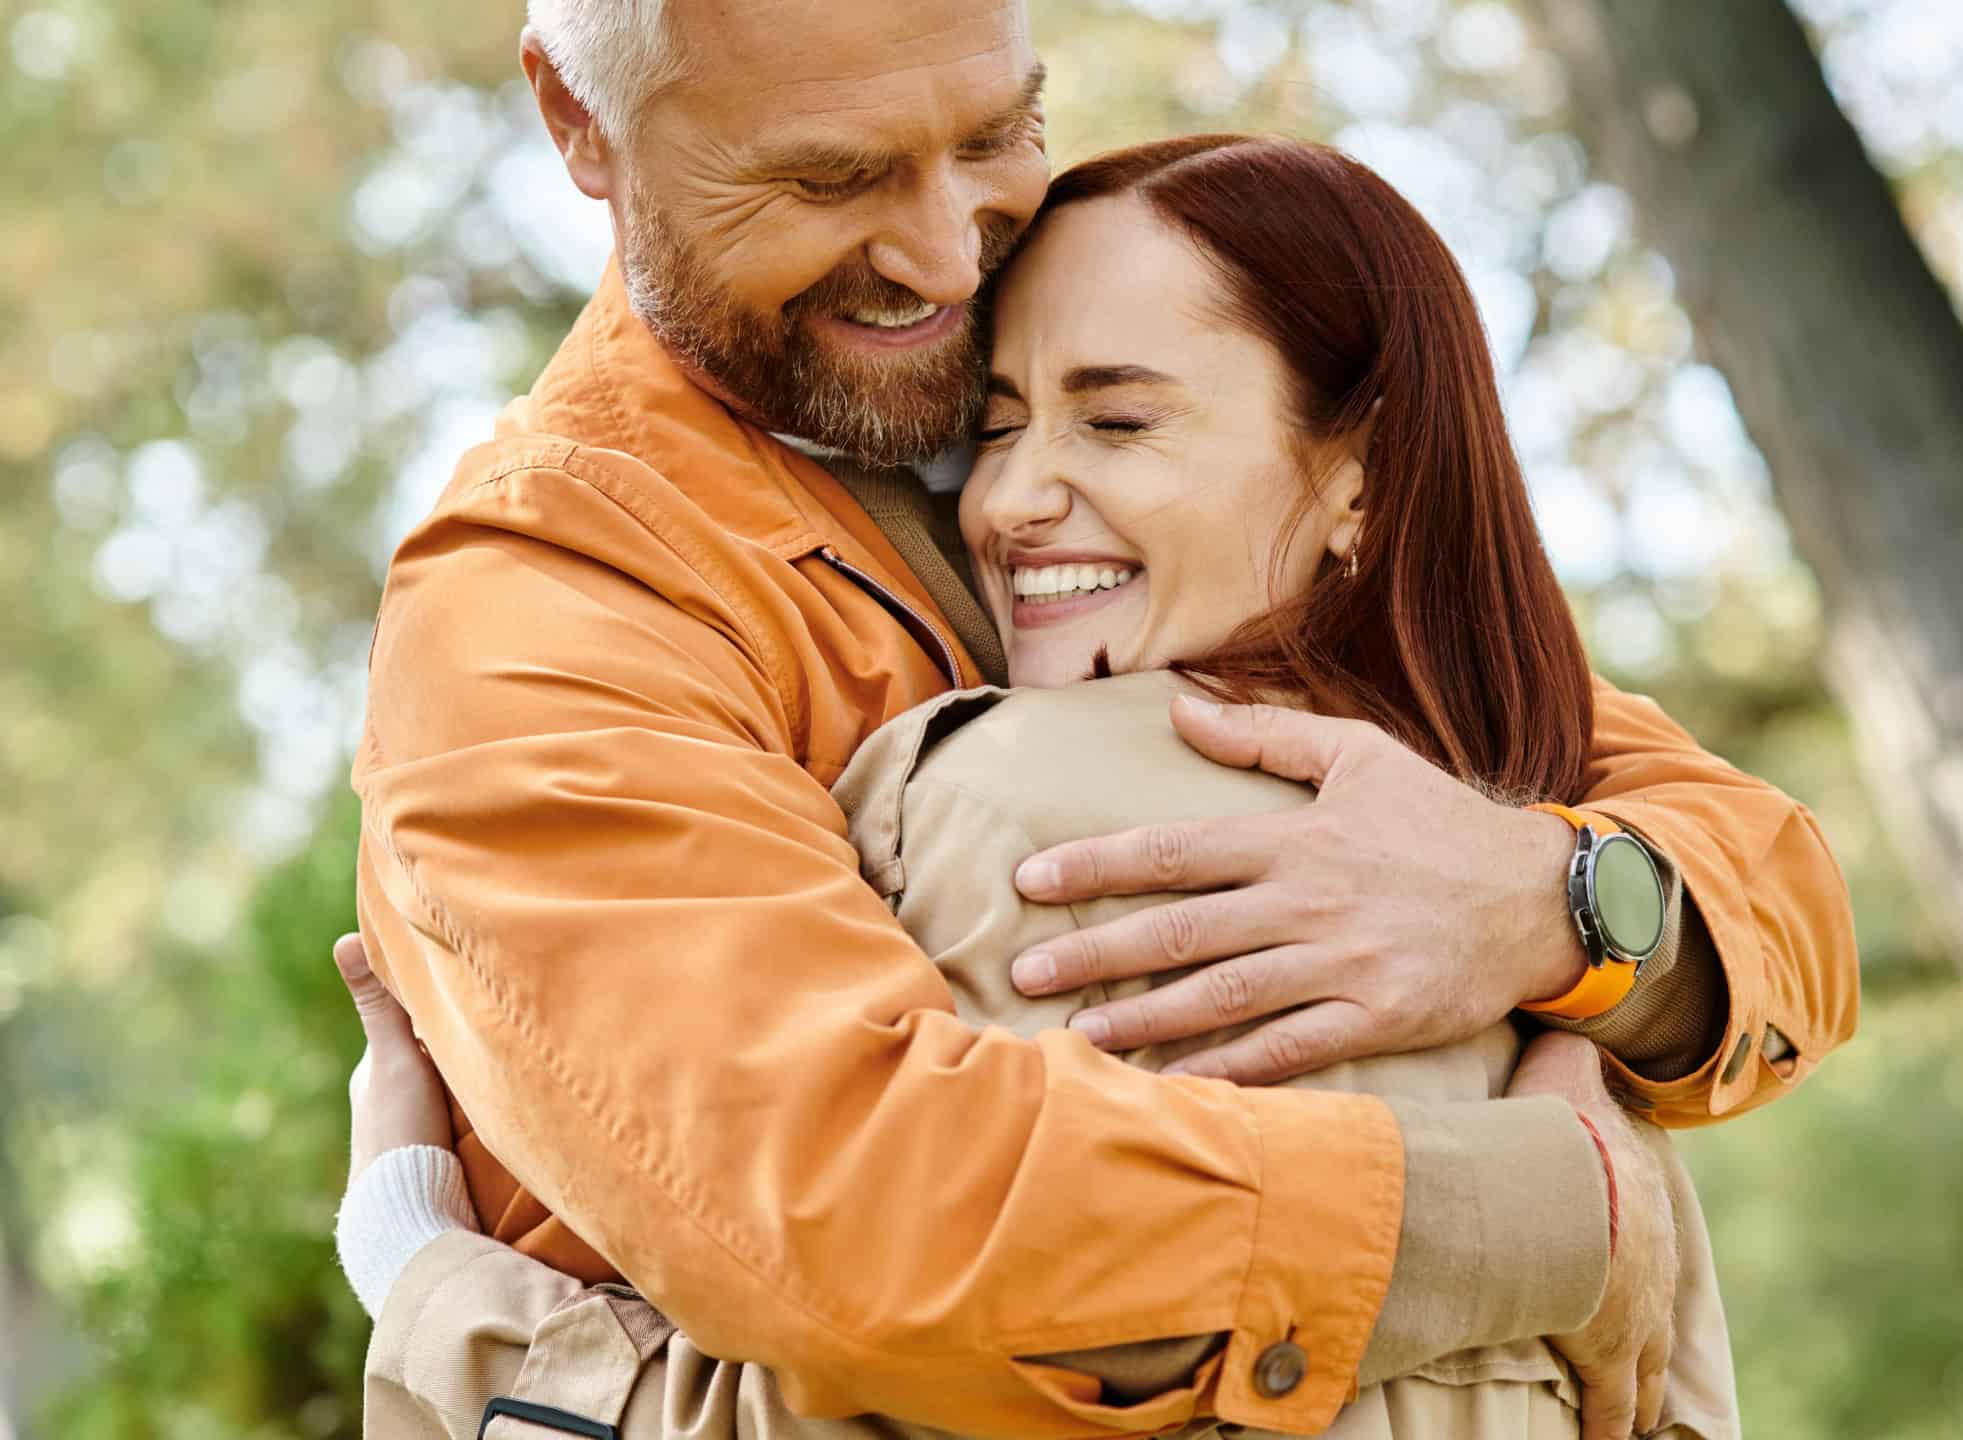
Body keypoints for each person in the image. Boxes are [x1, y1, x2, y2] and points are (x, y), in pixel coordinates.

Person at [343, 0, 1858, 1435]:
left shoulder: (1129, 339)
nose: (946, 253)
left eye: (1000, 131)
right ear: (579, 123)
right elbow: (873, 1217)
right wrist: (1550, 1212)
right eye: (832, 176)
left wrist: (1553, 904)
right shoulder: (545, 612)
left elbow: (1761, 877)